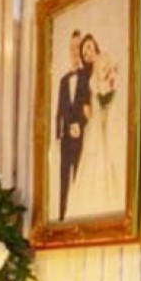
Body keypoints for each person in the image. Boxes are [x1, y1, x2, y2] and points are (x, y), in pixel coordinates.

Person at [65, 33, 122, 220]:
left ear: (94, 45)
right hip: (96, 118)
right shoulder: (88, 72)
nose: (87, 53)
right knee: (90, 157)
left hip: (104, 115)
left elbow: (108, 84)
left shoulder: (104, 58)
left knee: (102, 153)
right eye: (84, 52)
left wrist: (103, 98)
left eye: (88, 47)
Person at [54, 30, 89, 221]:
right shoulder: (63, 80)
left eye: (77, 47)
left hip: (82, 136)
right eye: (72, 48)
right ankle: (62, 215)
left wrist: (81, 125)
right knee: (63, 177)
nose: (74, 51)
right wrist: (58, 135)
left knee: (79, 175)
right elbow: (59, 111)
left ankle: (77, 214)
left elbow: (90, 106)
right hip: (65, 138)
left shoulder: (87, 76)